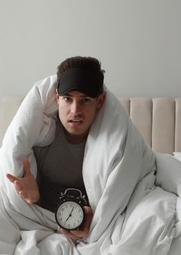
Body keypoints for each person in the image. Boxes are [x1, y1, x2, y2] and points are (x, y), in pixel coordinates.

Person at [6, 56, 106, 243]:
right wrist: (34, 197)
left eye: (85, 100)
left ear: (99, 101)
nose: (75, 110)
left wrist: (97, 221)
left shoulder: (108, 145)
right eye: (68, 99)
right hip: (42, 219)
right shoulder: (42, 136)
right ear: (57, 98)